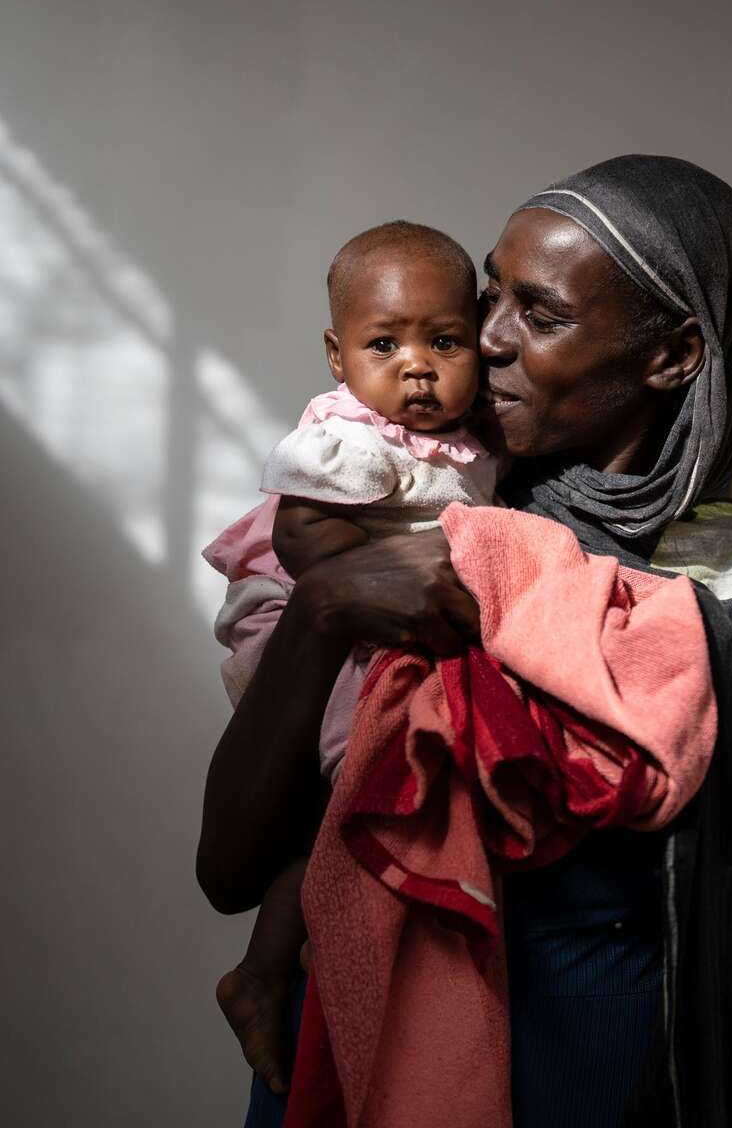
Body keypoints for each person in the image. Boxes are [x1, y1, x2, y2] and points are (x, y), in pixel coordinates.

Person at [198, 155, 732, 1127]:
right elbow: (228, 870)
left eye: (538, 315)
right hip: (366, 1053)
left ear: (671, 355)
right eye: (490, 293)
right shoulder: (417, 513)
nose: (483, 339)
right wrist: (327, 607)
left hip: (605, 1073)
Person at [203, 220, 497, 1096]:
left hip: (366, 628)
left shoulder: (469, 438)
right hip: (302, 621)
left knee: (343, 815)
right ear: (338, 356)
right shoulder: (351, 435)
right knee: (350, 789)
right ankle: (264, 972)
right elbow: (301, 538)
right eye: (385, 343)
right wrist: (373, 594)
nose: (417, 366)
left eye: (444, 342)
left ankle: (258, 973)